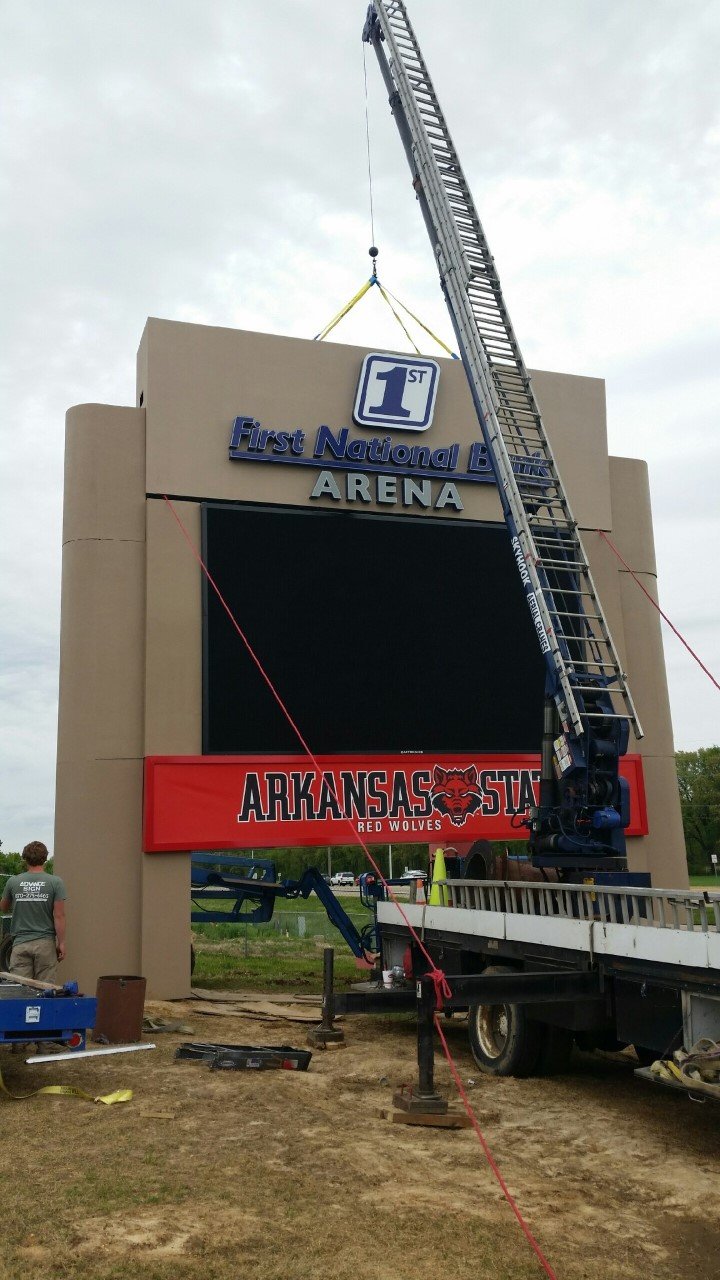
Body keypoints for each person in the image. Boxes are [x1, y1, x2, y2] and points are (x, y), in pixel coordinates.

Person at [0, 841, 66, 982]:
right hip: (45, 945)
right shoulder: (55, 882)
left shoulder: (13, 881)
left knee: (20, 992)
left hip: (20, 944)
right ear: (45, 858)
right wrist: (61, 943)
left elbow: (3, 907)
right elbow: (59, 916)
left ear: (25, 858)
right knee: (45, 992)